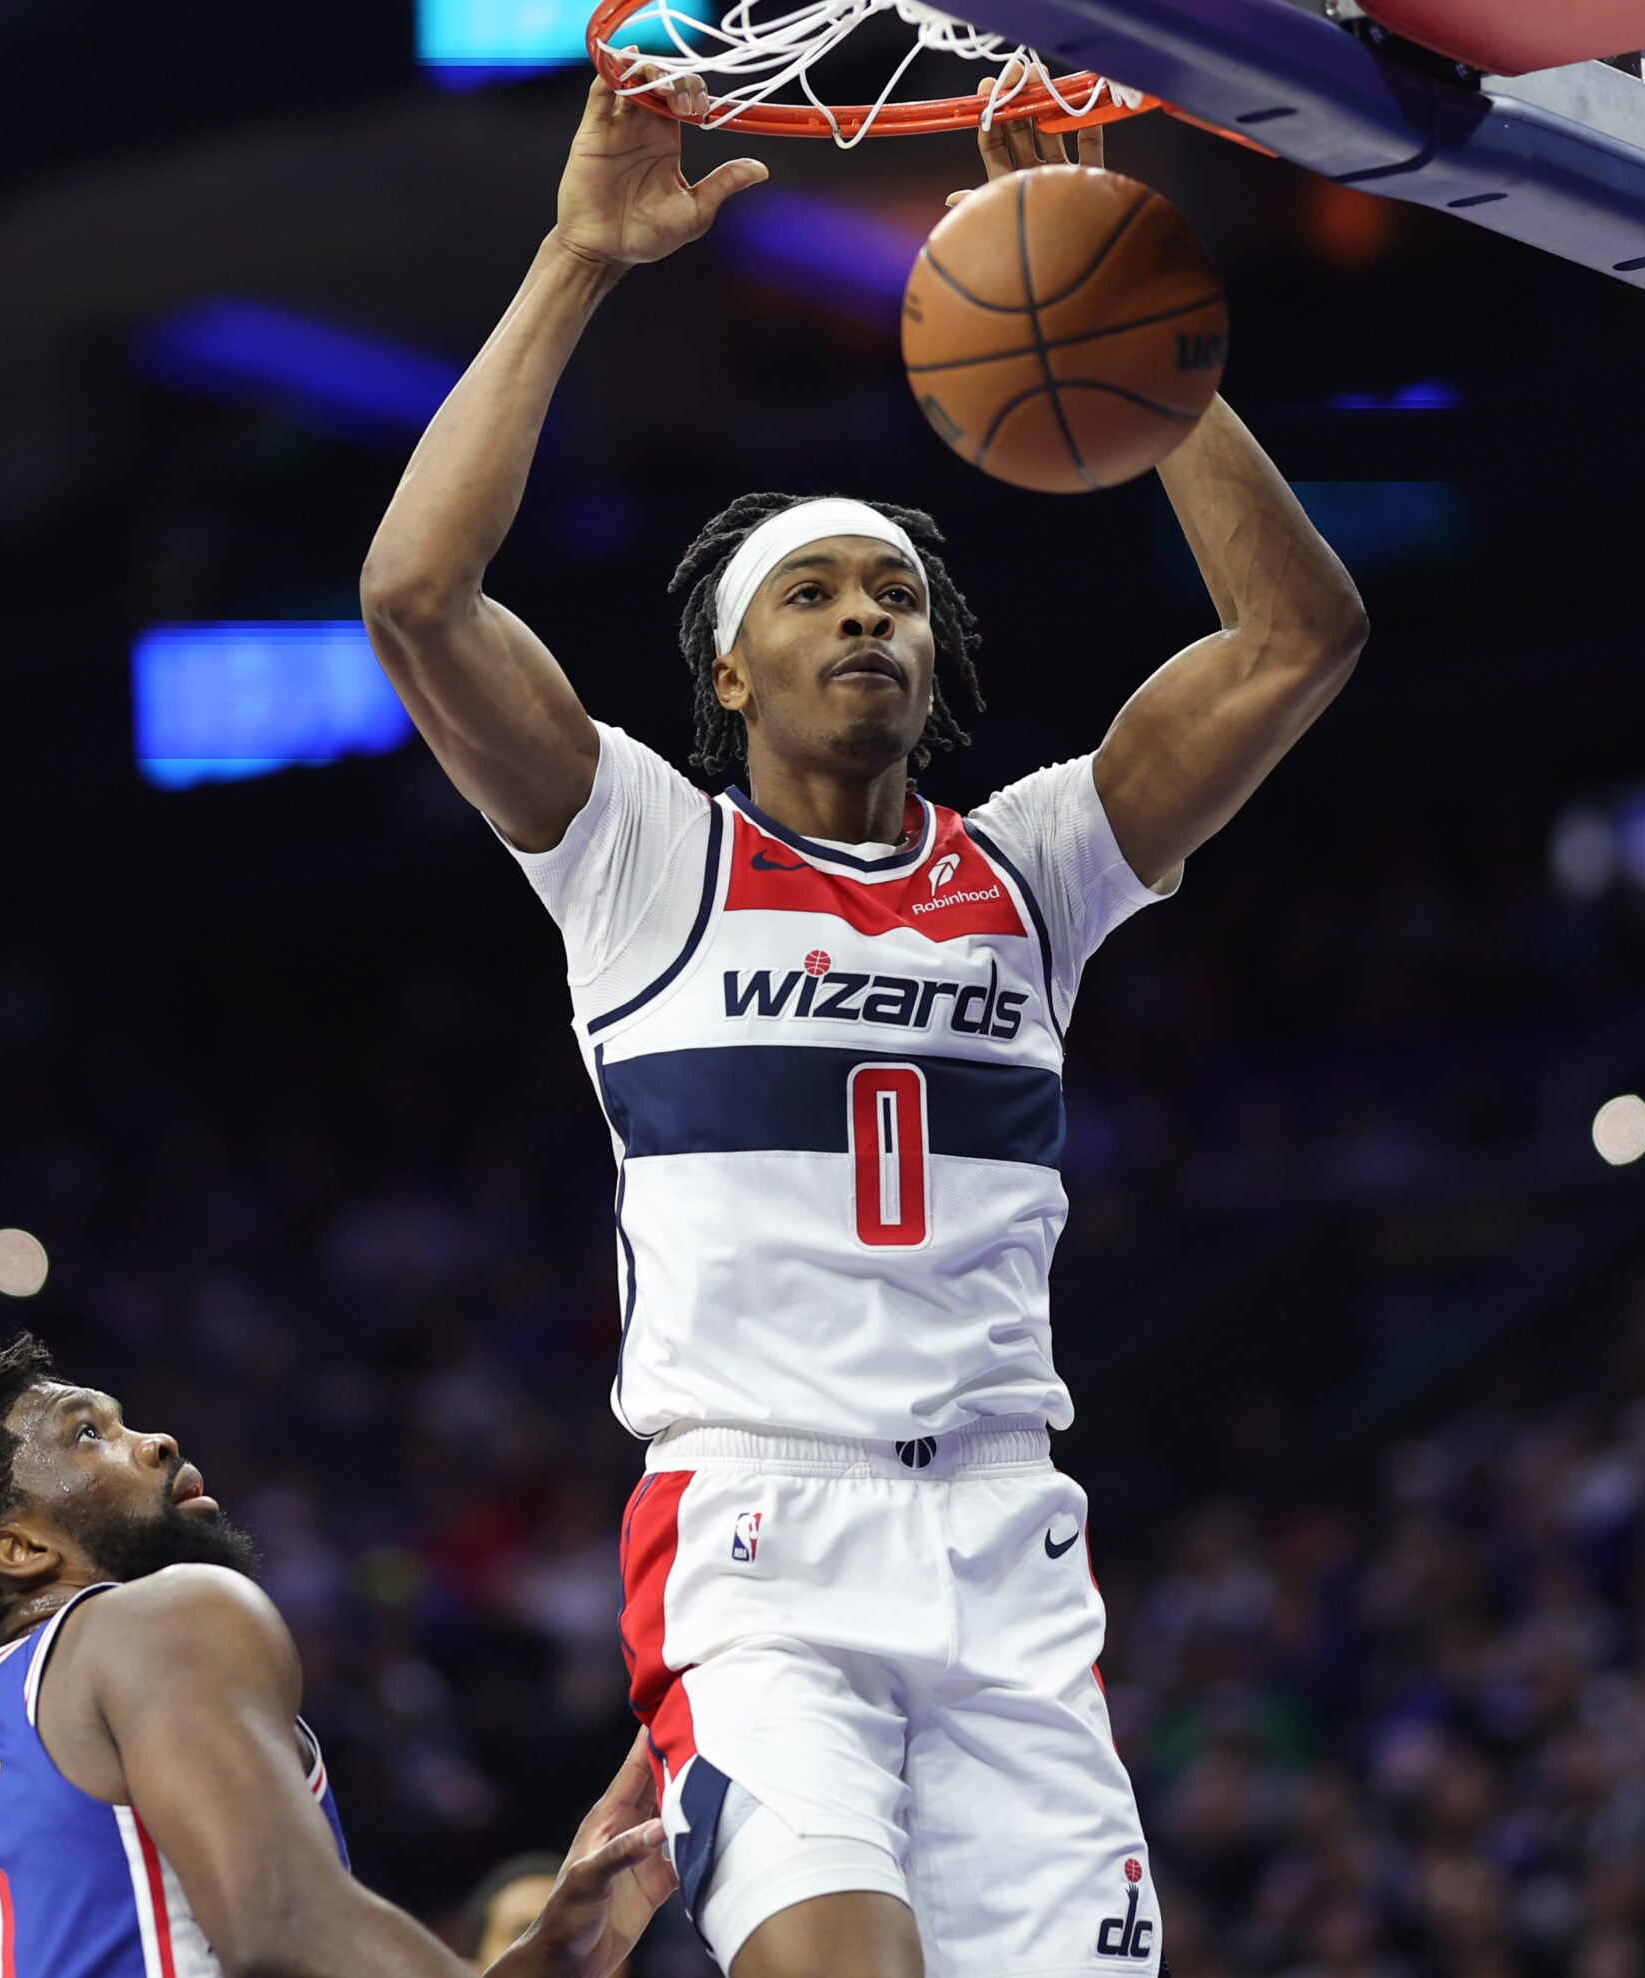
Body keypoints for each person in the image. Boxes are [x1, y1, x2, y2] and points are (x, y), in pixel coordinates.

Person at [360, 66, 1366, 1978]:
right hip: (762, 1544)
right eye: (815, 593)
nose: (868, 621)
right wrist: (580, 257)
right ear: (731, 667)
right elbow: (415, 594)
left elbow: (1302, 640)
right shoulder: (647, 856)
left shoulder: (1035, 865)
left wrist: (1131, 346)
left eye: (897, 593)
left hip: (1006, 1536)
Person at [0, 1329, 676, 1978]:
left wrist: (533, 1964)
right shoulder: (159, 1616)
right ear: (21, 1549)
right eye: (89, 1435)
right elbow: (283, 1925)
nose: (157, 1441)